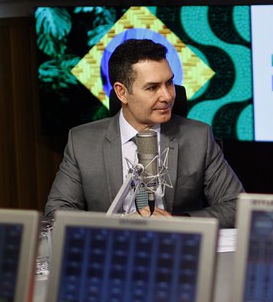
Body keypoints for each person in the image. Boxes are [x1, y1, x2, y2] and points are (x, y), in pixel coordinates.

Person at [45, 38, 244, 228]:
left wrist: (177, 222)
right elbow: (56, 213)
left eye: (169, 83)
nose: (167, 96)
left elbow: (236, 206)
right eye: (152, 87)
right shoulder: (82, 142)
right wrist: (122, 223)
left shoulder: (198, 137)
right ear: (122, 92)